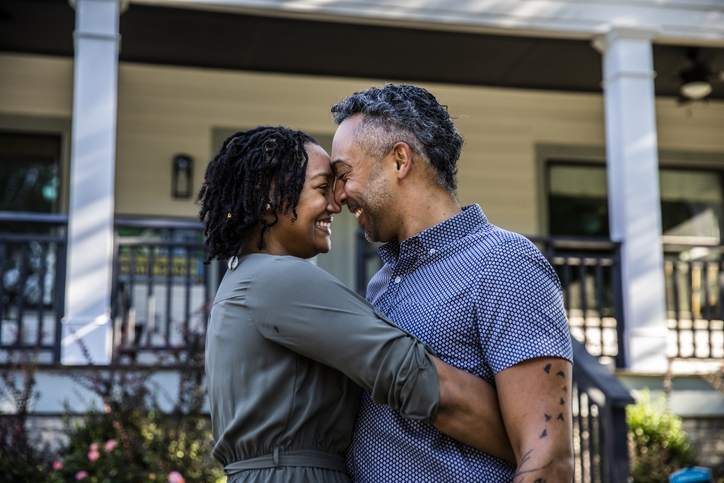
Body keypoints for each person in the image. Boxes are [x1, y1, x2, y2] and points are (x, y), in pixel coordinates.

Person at [199, 126, 513, 483]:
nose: (337, 204)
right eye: (322, 188)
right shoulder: (277, 280)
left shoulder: (244, 279)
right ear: (270, 196)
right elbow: (417, 380)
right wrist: (532, 443)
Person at [330, 84, 575, 482]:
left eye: (344, 174)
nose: (338, 196)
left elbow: (547, 457)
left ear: (399, 160)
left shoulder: (505, 263)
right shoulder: (381, 284)